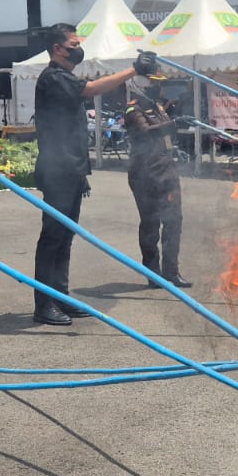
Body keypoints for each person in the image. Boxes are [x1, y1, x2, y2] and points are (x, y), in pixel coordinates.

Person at [31, 24, 156, 325]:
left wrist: (80, 173)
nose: (78, 47)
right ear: (59, 48)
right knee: (52, 237)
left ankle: (60, 296)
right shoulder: (53, 78)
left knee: (65, 237)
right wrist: (133, 70)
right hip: (57, 170)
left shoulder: (65, 77)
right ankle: (43, 304)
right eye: (73, 43)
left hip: (71, 170)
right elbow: (90, 90)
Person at [124, 85, 189, 287]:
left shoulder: (158, 106)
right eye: (155, 84)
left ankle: (171, 272)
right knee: (150, 224)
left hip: (167, 172)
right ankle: (153, 275)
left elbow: (164, 136)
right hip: (145, 175)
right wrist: (172, 123)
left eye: (162, 84)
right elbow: (145, 132)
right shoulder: (133, 110)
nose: (160, 89)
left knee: (174, 221)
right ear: (142, 86)